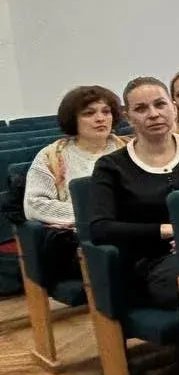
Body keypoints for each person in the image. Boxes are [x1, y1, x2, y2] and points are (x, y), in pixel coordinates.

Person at [87, 77, 179, 312]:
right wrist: (168, 230)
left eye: (160, 104)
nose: (153, 114)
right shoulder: (111, 166)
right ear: (128, 117)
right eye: (141, 109)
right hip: (152, 264)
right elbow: (100, 228)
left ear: (173, 108)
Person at [23, 85, 130, 283]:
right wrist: (93, 217)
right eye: (89, 113)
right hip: (84, 237)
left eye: (106, 111)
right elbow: (34, 205)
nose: (100, 118)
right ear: (73, 119)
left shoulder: (132, 149)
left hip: (135, 229)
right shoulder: (51, 156)